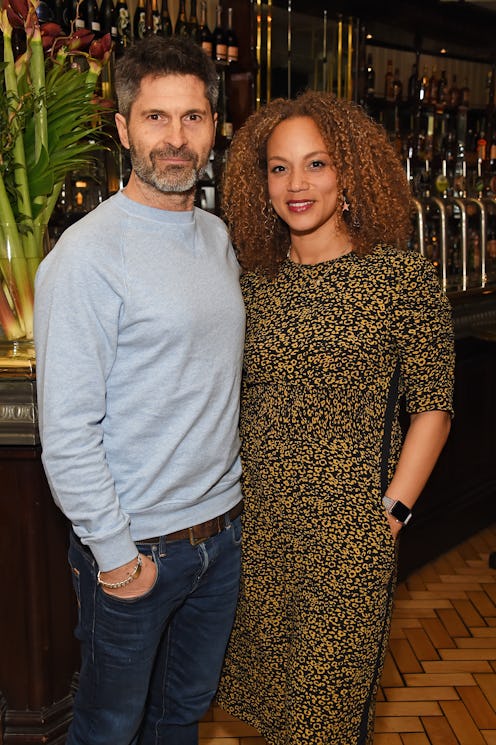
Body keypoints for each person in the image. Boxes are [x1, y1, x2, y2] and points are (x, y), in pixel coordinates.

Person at [215, 90, 455, 745]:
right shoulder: (251, 281)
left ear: (349, 172)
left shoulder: (398, 276)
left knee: (324, 720)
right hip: (257, 535)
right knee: (266, 712)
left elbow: (433, 406)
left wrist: (393, 513)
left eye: (316, 164)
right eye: (279, 167)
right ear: (259, 181)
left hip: (348, 542)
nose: (297, 184)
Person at [34, 36, 245, 745]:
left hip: (220, 539)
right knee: (108, 728)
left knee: (180, 719)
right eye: (157, 118)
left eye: (193, 117)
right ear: (124, 128)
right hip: (137, 551)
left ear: (215, 124)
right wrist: (118, 558)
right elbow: (65, 429)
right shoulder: (88, 256)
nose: (177, 139)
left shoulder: (217, 239)